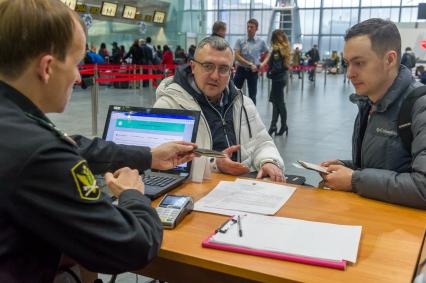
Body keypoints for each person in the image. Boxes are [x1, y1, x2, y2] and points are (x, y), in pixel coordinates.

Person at [0, 0, 198, 281]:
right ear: (47, 67)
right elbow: (134, 246)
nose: (79, 77)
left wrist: (148, 156)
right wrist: (132, 194)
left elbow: (75, 145)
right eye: (77, 63)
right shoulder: (39, 153)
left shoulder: (16, 124)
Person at [319, 18, 426, 209]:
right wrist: (347, 168)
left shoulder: (420, 107)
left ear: (390, 60)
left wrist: (355, 179)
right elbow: (390, 165)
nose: (349, 73)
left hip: (405, 234)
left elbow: (423, 187)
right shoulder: (368, 102)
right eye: (347, 63)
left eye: (359, 63)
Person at [154, 36, 285, 182]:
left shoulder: (243, 103)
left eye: (223, 69)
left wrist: (268, 161)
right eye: (208, 66)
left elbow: (262, 142)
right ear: (193, 66)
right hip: (196, 193)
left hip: (241, 189)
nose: (215, 76)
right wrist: (215, 164)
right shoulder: (170, 106)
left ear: (231, 72)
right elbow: (162, 166)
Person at [260, 29, 290, 137]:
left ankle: (283, 125)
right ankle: (274, 125)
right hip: (282, 78)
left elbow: (277, 67)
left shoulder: (277, 50)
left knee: (280, 103)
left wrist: (269, 73)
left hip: (277, 79)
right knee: (276, 102)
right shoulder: (285, 49)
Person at [233, 18, 269, 105]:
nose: (249, 29)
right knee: (233, 92)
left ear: (256, 29)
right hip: (241, 69)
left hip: (253, 71)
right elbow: (237, 56)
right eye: (248, 27)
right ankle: (231, 111)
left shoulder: (261, 42)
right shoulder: (240, 40)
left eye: (251, 27)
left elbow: (268, 53)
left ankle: (252, 115)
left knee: (252, 95)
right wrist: (249, 64)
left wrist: (263, 64)